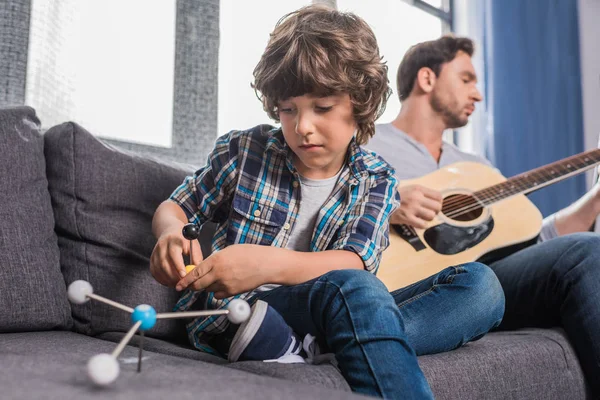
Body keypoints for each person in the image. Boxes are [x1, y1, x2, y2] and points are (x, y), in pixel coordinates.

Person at [149, 8, 504, 399]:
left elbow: (355, 260)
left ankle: (331, 346)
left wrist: (266, 263)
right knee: (356, 293)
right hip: (246, 311)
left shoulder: (377, 178)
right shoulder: (245, 151)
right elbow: (177, 206)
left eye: (321, 108)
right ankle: (354, 341)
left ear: (360, 106)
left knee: (481, 286)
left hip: (339, 305)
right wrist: (170, 233)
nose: (302, 126)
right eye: (289, 109)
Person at [367, 34, 600, 396]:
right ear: (427, 79)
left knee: (587, 251)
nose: (477, 94)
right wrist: (388, 200)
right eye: (466, 79)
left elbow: (539, 241)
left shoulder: (476, 168)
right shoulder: (367, 144)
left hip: (488, 273)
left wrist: (597, 197)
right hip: (407, 279)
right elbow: (323, 199)